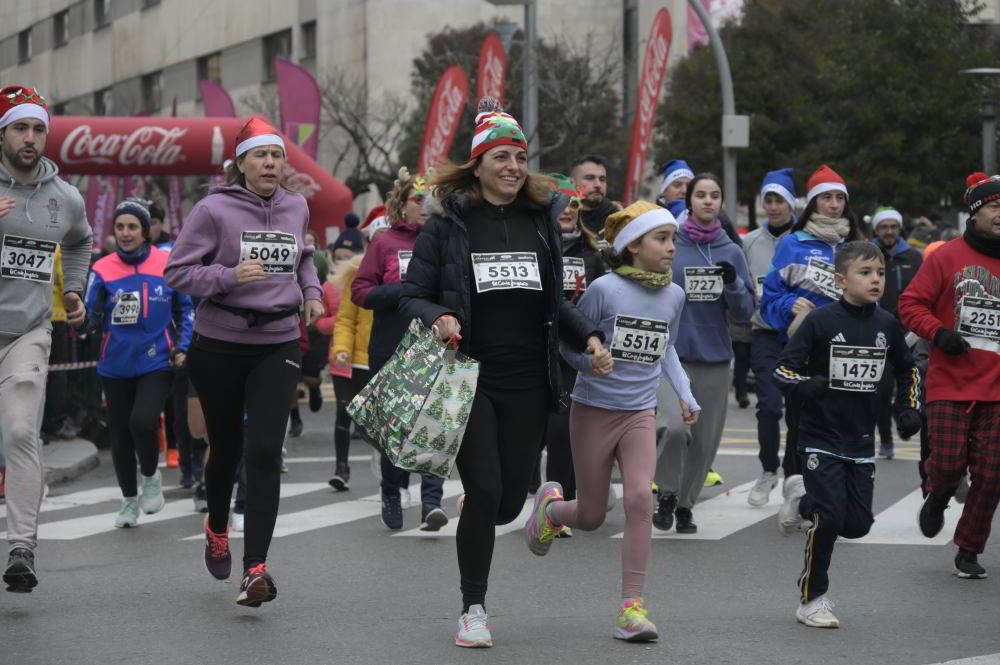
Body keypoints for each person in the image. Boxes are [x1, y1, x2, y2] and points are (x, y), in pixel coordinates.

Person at [400, 98, 609, 648]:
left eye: (520, 156)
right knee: (486, 488)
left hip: (529, 378)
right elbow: (411, 296)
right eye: (502, 156)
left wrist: (587, 334)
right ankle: (474, 608)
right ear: (478, 164)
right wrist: (439, 315)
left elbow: (554, 302)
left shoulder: (540, 222)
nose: (514, 166)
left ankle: (512, 505)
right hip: (468, 377)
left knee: (511, 498)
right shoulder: (448, 224)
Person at [165, 117, 324, 607]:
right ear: (241, 163)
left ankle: (255, 568)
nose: (271, 163)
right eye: (261, 155)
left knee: (264, 453)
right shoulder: (213, 209)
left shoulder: (297, 205)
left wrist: (312, 294)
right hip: (220, 343)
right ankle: (217, 525)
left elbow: (304, 259)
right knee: (227, 450)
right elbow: (177, 272)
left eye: (277, 156)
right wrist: (229, 276)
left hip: (277, 341)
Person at [527, 200, 699, 641]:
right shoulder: (603, 290)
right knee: (591, 514)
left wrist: (685, 393)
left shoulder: (675, 294)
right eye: (662, 239)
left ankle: (631, 608)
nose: (671, 248)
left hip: (640, 412)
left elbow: (669, 349)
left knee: (641, 497)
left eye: (673, 239)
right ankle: (551, 510)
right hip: (593, 411)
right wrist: (589, 362)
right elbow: (567, 343)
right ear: (633, 245)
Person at [774, 241, 921, 628]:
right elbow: (783, 370)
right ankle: (813, 599)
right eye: (865, 273)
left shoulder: (886, 324)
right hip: (819, 435)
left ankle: (803, 501)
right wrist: (805, 385)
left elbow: (909, 369)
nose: (875, 280)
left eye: (880, 274)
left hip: (860, 439)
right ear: (841, 280)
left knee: (856, 524)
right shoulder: (820, 321)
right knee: (829, 517)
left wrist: (909, 408)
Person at [0, 86, 92, 592]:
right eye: (20, 128)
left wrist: (74, 289)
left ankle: (21, 549)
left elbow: (81, 239)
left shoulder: (65, 197)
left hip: (28, 333)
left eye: (38, 129)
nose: (31, 138)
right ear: (3, 133)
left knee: (19, 432)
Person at [900, 172, 1000, 580]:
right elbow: (909, 304)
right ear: (975, 213)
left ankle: (968, 549)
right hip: (949, 381)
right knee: (946, 463)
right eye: (995, 207)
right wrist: (940, 333)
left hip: (996, 387)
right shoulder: (945, 257)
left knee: (992, 475)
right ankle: (938, 494)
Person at [652, 173, 755, 533]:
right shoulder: (670, 244)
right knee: (675, 429)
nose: (708, 201)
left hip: (714, 357)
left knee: (704, 441)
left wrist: (733, 282)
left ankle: (683, 505)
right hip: (671, 355)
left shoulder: (731, 250)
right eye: (701, 195)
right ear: (689, 201)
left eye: (715, 195)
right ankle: (665, 491)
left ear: (721, 202)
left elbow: (745, 312)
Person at [760, 164, 864, 511]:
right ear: (813, 204)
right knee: (801, 423)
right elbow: (769, 298)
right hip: (804, 351)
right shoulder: (793, 244)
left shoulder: (857, 246)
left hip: (848, 353)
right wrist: (791, 304)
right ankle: (797, 491)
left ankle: (835, 493)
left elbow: (876, 293)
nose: (833, 204)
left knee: (844, 424)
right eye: (826, 198)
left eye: (839, 198)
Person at [84, 199, 193, 527]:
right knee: (119, 434)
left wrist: (183, 345)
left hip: (156, 359)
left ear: (145, 231)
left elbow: (185, 309)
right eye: (120, 227)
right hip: (114, 362)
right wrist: (78, 319)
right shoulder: (102, 268)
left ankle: (150, 477)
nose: (126, 233)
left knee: (143, 422)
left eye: (132, 227)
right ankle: (128, 500)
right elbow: (89, 317)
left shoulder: (167, 260)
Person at [351, 167, 448, 530]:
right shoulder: (384, 242)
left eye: (430, 199)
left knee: (435, 425)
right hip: (391, 344)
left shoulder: (445, 240)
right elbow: (360, 292)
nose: (425, 206)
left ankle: (431, 504)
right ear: (401, 205)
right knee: (396, 428)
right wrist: (405, 290)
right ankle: (392, 489)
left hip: (435, 343)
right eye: (417, 199)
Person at [542, 174, 606, 503]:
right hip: (537, 347)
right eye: (562, 204)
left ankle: (561, 500)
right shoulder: (538, 244)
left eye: (574, 204)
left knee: (563, 430)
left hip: (574, 350)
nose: (568, 210)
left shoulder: (593, 254)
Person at [744, 168, 797, 506]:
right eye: (769, 200)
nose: (774, 207)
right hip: (764, 333)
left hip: (800, 336)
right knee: (768, 405)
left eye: (780, 200)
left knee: (798, 409)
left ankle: (794, 475)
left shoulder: (802, 241)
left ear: (791, 204)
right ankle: (768, 471)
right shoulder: (749, 242)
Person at [870, 206, 923, 459]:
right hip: (877, 331)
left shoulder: (914, 257)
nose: (888, 231)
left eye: (893, 226)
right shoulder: (869, 255)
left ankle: (904, 419)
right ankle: (887, 440)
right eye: (883, 227)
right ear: (876, 230)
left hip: (910, 332)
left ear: (900, 228)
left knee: (909, 383)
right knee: (881, 390)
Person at [328, 237, 372, 491]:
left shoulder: (405, 272)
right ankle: (341, 468)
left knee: (376, 424)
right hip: (351, 360)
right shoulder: (358, 275)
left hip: (381, 360)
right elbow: (345, 319)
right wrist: (341, 349)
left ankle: (391, 479)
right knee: (344, 411)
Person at [571, 155, 619, 236]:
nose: (598, 185)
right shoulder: (560, 216)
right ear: (572, 183)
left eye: (602, 179)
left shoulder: (616, 220)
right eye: (590, 178)